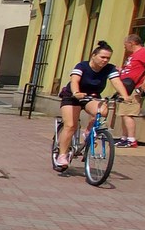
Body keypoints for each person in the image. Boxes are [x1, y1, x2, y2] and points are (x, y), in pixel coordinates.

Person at [54, 40, 137, 171]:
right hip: (72, 96)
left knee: (102, 111)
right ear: (94, 55)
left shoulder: (109, 68)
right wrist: (76, 92)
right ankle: (62, 155)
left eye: (108, 58)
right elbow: (75, 80)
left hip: (90, 97)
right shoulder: (82, 66)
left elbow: (116, 82)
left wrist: (125, 96)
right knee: (70, 125)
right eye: (102, 57)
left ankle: (88, 132)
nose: (105, 60)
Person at [115, 33, 145, 148]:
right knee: (123, 113)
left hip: (134, 87)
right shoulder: (133, 55)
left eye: (125, 44)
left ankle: (131, 139)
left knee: (128, 113)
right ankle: (124, 138)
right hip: (126, 87)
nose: (124, 47)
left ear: (131, 43)